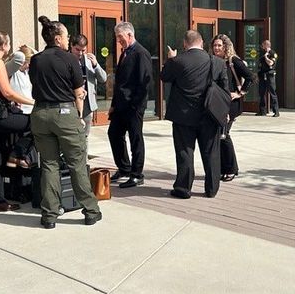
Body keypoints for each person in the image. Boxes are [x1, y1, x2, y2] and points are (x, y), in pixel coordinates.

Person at [29, 17, 102, 229]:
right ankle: (90, 210)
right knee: (76, 162)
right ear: (58, 38)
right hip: (65, 112)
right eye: (67, 36)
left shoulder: (36, 60)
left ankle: (49, 215)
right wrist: (79, 116)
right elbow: (79, 93)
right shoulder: (70, 59)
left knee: (49, 164)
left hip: (40, 113)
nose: (68, 38)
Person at [161, 30, 230, 198]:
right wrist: (225, 113)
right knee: (211, 152)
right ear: (202, 43)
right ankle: (212, 189)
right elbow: (225, 92)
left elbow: (164, 77)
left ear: (185, 44)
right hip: (210, 114)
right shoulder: (218, 63)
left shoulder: (177, 61)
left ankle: (183, 188)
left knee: (185, 151)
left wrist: (170, 59)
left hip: (183, 116)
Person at [0, 29, 34, 212]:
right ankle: (18, 154)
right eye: (8, 43)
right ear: (4, 45)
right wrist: (33, 102)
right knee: (35, 121)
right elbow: (7, 92)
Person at [108, 21, 152, 188]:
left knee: (135, 139)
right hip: (120, 106)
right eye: (117, 38)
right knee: (114, 134)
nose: (119, 41)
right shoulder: (124, 53)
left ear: (130, 35)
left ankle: (136, 173)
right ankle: (124, 168)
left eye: (120, 37)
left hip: (133, 106)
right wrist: (113, 104)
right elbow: (119, 82)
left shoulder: (141, 53)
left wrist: (136, 106)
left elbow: (145, 83)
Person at [211, 34, 253, 181]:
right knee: (219, 136)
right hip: (218, 103)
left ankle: (231, 169)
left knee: (224, 135)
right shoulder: (214, 61)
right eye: (215, 45)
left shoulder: (233, 61)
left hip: (230, 104)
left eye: (219, 46)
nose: (216, 48)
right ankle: (224, 168)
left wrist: (240, 93)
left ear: (225, 47)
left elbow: (250, 77)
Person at [70, 33, 108, 154]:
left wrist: (96, 65)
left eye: (83, 50)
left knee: (85, 136)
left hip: (87, 104)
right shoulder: (66, 59)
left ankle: (84, 163)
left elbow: (103, 78)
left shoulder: (89, 60)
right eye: (77, 50)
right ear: (71, 46)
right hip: (71, 103)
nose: (80, 53)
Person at [256, 39, 279, 117]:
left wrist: (266, 57)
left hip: (270, 75)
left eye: (263, 45)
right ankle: (262, 111)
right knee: (261, 93)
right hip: (262, 75)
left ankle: (276, 111)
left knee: (272, 93)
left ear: (266, 45)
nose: (262, 47)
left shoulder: (272, 53)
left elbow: (271, 63)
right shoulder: (262, 54)